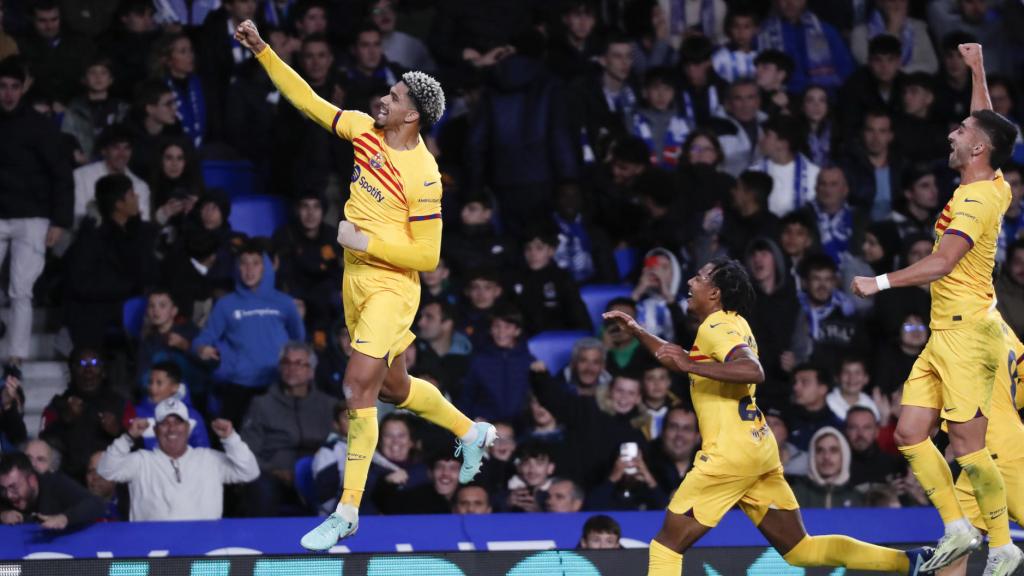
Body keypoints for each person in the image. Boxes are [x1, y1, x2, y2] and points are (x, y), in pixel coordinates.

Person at [235, 20, 496, 549]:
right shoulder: (362, 131)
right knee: (397, 389)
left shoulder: (424, 174)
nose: (383, 98)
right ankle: (472, 432)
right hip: (355, 283)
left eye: (394, 96)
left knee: (358, 388)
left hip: (392, 290)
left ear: (413, 115)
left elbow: (428, 256)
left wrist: (364, 243)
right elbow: (307, 100)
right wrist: (264, 51)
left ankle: (347, 508)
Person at [602, 258, 932, 576]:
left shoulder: (715, 327)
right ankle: (908, 563)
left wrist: (689, 364)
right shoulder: (735, 323)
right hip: (758, 450)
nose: (690, 281)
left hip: (728, 456)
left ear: (715, 293)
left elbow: (751, 369)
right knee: (801, 549)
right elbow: (675, 356)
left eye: (700, 278)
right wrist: (637, 330)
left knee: (666, 548)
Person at [850, 43, 1024, 574]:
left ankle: (1002, 545)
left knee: (970, 449)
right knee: (909, 435)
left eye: (961, 133)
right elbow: (985, 123)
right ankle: (957, 528)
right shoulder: (990, 180)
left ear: (977, 150)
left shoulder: (974, 201)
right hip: (947, 332)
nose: (952, 132)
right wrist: (977, 69)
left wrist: (877, 282)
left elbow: (943, 261)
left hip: (967, 335)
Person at [0, 57, 73, 367]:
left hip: (33, 217)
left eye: (14, 87)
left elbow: (61, 173)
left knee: (21, 290)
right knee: (20, 290)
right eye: (2, 86)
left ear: (23, 88)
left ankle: (16, 356)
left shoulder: (39, 126)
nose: (8, 93)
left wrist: (60, 221)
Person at [938, 313, 1024, 576]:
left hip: (1001, 452)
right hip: (980, 456)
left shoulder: (961, 324)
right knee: (952, 554)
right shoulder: (1006, 330)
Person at [192, 243, 305, 424]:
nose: (249, 269)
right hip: (238, 385)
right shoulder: (225, 304)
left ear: (265, 267)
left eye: (255, 263)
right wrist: (201, 348)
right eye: (244, 263)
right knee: (232, 442)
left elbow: (299, 342)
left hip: (276, 384)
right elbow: (204, 338)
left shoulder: (285, 303)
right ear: (237, 267)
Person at [97, 398, 259, 521]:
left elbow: (250, 472)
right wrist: (128, 437)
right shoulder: (141, 461)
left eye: (178, 422)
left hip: (202, 550)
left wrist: (231, 439)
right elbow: (105, 470)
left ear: (188, 428)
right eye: (165, 423)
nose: (172, 428)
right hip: (152, 551)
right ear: (155, 430)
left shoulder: (209, 459)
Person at [240, 342, 335, 516]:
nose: (292, 368)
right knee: (260, 489)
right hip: (275, 476)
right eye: (286, 362)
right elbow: (248, 451)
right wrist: (274, 471)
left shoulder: (328, 406)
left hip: (318, 475)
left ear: (311, 371)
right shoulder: (262, 404)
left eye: (299, 363)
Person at [0, 452, 105, 529]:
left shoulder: (56, 483)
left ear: (32, 480)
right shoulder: (4, 496)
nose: (9, 495)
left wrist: (64, 518)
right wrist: (2, 515)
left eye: (13, 487)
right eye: (4, 489)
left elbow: (97, 504)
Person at [789, 426, 862, 509]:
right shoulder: (794, 495)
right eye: (820, 450)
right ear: (813, 456)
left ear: (844, 455)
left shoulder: (856, 498)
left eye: (833, 450)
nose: (826, 457)